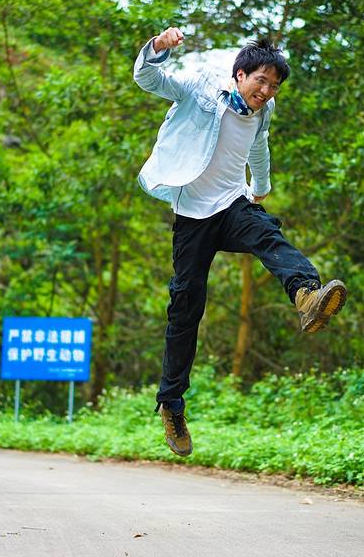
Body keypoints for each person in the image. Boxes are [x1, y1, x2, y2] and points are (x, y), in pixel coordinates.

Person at [133, 26, 347, 457]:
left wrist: (261, 187)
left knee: (267, 233)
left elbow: (259, 146)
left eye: (274, 86)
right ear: (240, 75)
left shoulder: (264, 111)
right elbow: (149, 79)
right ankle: (171, 404)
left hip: (232, 204)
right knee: (186, 305)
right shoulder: (199, 88)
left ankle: (306, 296)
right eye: (260, 81)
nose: (266, 92)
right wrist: (158, 47)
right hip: (192, 214)